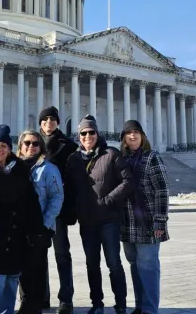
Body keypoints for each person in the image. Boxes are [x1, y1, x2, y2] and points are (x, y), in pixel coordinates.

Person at [66, 115, 135, 314]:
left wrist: (108, 201)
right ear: (79, 136)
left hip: (108, 220)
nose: (87, 136)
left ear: (98, 133)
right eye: (83, 133)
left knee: (114, 263)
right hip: (87, 222)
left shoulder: (111, 154)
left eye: (91, 132)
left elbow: (128, 181)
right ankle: (97, 304)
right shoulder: (74, 159)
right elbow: (70, 188)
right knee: (92, 265)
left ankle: (121, 304)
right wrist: (72, 211)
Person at [0, 125, 44, 314]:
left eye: (4, 145)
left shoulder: (20, 169)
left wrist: (37, 230)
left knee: (12, 278)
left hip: (18, 234)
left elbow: (31, 200)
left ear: (10, 148)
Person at [120, 120, 170, 314]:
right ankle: (140, 305)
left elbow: (162, 190)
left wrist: (160, 220)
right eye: (129, 133)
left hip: (148, 222)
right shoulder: (122, 159)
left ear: (143, 136)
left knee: (148, 267)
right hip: (127, 222)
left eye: (136, 132)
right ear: (123, 137)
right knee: (135, 266)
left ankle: (149, 309)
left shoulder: (152, 157)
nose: (133, 136)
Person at [16, 130, 64, 314]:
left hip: (39, 228)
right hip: (19, 227)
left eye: (35, 143)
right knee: (21, 270)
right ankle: (25, 304)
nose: (30, 146)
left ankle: (34, 307)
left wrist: (44, 225)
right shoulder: (16, 166)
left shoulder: (48, 168)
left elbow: (56, 198)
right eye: (27, 143)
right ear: (20, 146)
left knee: (36, 270)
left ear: (41, 147)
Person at [38, 106, 78, 314]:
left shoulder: (68, 146)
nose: (48, 122)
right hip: (37, 211)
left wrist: (71, 209)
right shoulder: (32, 144)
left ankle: (66, 299)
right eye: (45, 119)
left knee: (62, 253)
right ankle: (41, 296)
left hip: (59, 210)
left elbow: (73, 181)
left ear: (58, 122)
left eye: (52, 119)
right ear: (40, 123)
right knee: (39, 255)